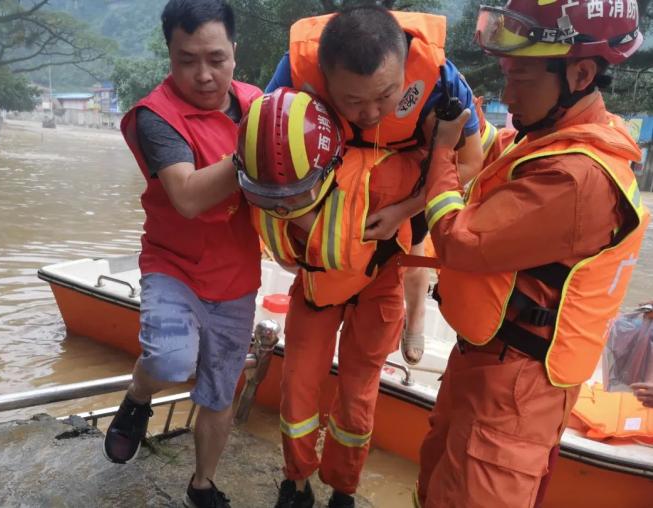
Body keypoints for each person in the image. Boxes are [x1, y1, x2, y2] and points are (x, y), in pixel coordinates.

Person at [415, 1, 649, 507]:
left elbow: (460, 240)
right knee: (436, 483)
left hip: (517, 387)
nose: (506, 94)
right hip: (486, 361)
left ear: (580, 73)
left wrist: (440, 154)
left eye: (519, 80)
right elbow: (494, 161)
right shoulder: (547, 139)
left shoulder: (575, 178)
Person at [102, 2, 261, 507]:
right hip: (174, 264)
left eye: (216, 58)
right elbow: (188, 196)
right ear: (169, 54)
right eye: (185, 59)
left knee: (220, 389)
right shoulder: (157, 116)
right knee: (170, 359)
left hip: (237, 272)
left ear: (235, 51)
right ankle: (138, 396)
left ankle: (201, 484)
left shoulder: (259, 106)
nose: (203, 74)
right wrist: (258, 150)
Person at [264, 5, 484, 365]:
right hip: (337, 174)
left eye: (386, 96)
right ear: (325, 77)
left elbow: (471, 162)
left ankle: (415, 318)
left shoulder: (441, 79)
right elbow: (266, 148)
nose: (370, 113)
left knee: (413, 254)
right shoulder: (295, 69)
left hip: (410, 179)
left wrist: (405, 209)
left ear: (404, 66)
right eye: (353, 100)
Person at [235, 87, 422, 508]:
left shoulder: (390, 175)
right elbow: (287, 255)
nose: (286, 205)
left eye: (297, 193)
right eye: (275, 198)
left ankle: (343, 488)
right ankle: (297, 481)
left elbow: (449, 178)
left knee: (357, 395)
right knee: (297, 384)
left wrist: (405, 209)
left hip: (379, 285)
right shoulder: (259, 172)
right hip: (319, 287)